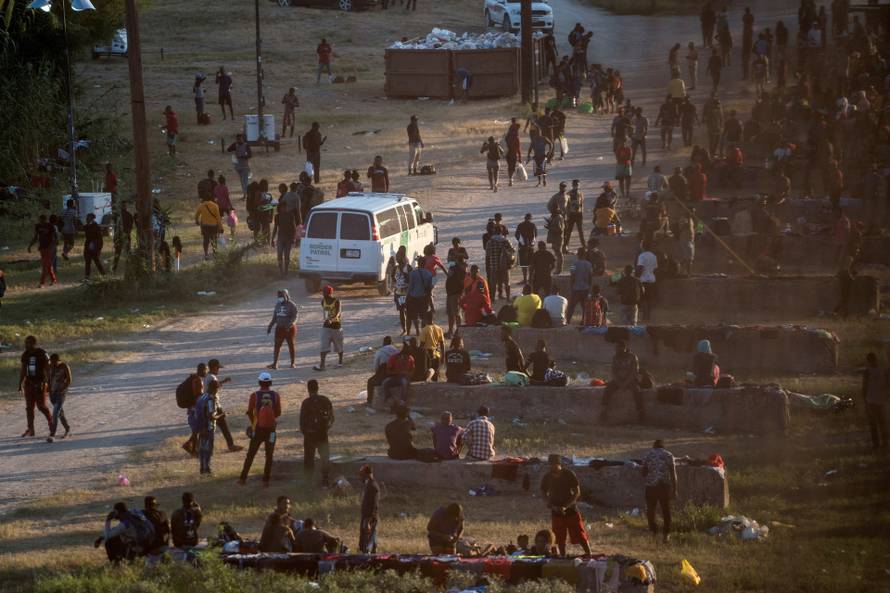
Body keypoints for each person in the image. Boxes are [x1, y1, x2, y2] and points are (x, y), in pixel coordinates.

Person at [541, 454, 592, 556]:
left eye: (554, 464)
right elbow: (543, 492)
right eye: (550, 465)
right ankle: (563, 557)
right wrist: (550, 504)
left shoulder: (569, 474)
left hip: (571, 510)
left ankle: (589, 553)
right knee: (559, 537)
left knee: (579, 534)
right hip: (556, 511)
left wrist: (566, 506)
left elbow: (577, 492)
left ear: (559, 464)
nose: (552, 467)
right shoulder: (547, 477)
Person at [238, 372, 281, 487]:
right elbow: (278, 413)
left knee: (251, 454)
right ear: (270, 382)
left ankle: (243, 478)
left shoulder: (254, 395)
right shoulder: (276, 395)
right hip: (271, 430)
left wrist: (254, 424)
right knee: (269, 455)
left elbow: (249, 412)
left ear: (259, 382)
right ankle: (266, 481)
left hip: (258, 429)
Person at [641, 440, 678, 543]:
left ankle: (653, 531)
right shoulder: (669, 455)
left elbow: (643, 473)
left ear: (654, 446)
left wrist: (650, 471)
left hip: (651, 486)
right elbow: (673, 474)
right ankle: (666, 534)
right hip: (664, 486)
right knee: (666, 510)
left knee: (651, 510)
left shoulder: (647, 455)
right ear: (663, 447)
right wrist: (675, 490)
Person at [300, 379, 334, 486]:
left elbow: (302, 422)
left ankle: (308, 481)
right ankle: (325, 480)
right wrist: (325, 429)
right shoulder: (325, 400)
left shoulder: (306, 403)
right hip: (322, 433)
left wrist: (306, 433)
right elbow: (331, 418)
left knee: (309, 458)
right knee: (325, 457)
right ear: (318, 388)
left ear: (308, 390)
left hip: (310, 434)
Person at [601, 341, 643, 422]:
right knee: (608, 389)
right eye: (616, 348)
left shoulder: (632, 357)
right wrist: (619, 383)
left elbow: (634, 372)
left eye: (618, 348)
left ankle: (640, 412)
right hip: (618, 381)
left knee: (636, 390)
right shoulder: (615, 357)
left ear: (624, 348)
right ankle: (603, 411)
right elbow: (613, 372)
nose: (616, 350)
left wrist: (626, 383)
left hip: (630, 380)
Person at [206, 358, 242, 453]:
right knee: (223, 426)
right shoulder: (212, 378)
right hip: (214, 405)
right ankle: (231, 445)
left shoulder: (208, 377)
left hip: (209, 404)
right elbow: (213, 387)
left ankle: (207, 447)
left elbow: (214, 386)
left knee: (209, 427)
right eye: (218, 368)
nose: (218, 370)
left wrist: (223, 382)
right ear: (214, 368)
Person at [19, 335, 52, 438]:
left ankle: (51, 424)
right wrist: (20, 383)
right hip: (29, 383)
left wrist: (49, 382)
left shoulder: (42, 353)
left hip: (40, 383)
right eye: (25, 343)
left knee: (41, 406)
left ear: (33, 343)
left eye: (27, 343)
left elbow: (48, 368)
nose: (25, 345)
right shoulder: (25, 354)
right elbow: (23, 370)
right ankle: (30, 429)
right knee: (29, 408)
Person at [266, 289, 299, 370]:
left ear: (286, 296)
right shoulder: (278, 305)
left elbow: (295, 317)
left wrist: (290, 324)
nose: (280, 298)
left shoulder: (292, 305)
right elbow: (274, 317)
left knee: (291, 345)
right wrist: (270, 326)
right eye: (279, 297)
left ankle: (292, 363)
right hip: (279, 328)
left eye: (281, 296)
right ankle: (275, 364)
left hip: (289, 329)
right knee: (277, 345)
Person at [195, 379, 222, 475]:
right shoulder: (211, 399)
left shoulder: (202, 397)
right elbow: (211, 415)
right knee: (208, 449)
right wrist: (221, 415)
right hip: (208, 427)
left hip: (200, 426)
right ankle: (207, 469)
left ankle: (202, 468)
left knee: (202, 449)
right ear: (216, 389)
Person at [862, 352, 888, 449]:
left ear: (868, 360)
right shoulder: (884, 370)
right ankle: (885, 444)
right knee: (883, 424)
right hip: (881, 400)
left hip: (871, 400)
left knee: (873, 424)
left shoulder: (867, 371)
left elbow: (864, 387)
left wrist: (864, 399)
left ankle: (876, 445)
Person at [314, 285, 343, 371]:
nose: (323, 294)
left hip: (336, 326)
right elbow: (325, 311)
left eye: (325, 292)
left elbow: (338, 313)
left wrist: (331, 319)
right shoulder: (323, 301)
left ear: (330, 293)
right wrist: (327, 320)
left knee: (338, 346)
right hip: (326, 326)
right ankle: (322, 365)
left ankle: (340, 362)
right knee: (323, 346)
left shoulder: (336, 301)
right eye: (323, 292)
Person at [46, 353, 72, 442]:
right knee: (60, 413)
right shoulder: (50, 367)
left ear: (58, 360)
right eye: (51, 362)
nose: (53, 364)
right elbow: (48, 379)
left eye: (54, 362)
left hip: (61, 393)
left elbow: (69, 380)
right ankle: (67, 429)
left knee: (55, 413)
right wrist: (48, 388)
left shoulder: (64, 366)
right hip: (52, 393)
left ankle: (52, 434)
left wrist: (62, 389)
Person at [368, 336, 399, 405]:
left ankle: (369, 401)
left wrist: (377, 374)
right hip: (396, 374)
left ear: (384, 343)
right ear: (391, 342)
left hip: (384, 374)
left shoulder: (380, 351)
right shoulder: (397, 350)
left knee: (370, 382)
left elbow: (376, 366)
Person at [405, 257, 433, 336]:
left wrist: (407, 297)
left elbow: (410, 287)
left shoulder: (413, 273)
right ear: (425, 264)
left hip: (413, 297)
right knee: (423, 316)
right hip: (424, 298)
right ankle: (423, 332)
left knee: (412, 316)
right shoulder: (429, 274)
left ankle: (412, 332)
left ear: (418, 263)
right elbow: (429, 288)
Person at [28, 214, 57, 287]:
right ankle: (53, 280)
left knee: (44, 265)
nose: (41, 222)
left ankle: (42, 283)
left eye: (43, 220)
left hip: (49, 247)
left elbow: (54, 237)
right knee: (48, 265)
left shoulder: (50, 226)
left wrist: (52, 246)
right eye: (40, 220)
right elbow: (36, 237)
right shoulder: (38, 226)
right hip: (42, 248)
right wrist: (30, 245)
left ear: (45, 220)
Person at [566, 248, 593, 324]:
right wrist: (589, 286)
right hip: (585, 288)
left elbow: (572, 276)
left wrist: (571, 287)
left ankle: (567, 321)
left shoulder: (573, 264)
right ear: (584, 255)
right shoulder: (589, 264)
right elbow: (591, 276)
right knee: (585, 307)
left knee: (571, 306)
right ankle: (583, 321)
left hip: (576, 288)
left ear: (578, 254)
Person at [358, 465, 380, 553]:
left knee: (367, 539)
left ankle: (367, 555)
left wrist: (368, 520)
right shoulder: (368, 484)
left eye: (361, 474)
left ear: (367, 474)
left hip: (370, 517)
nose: (359, 477)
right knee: (371, 537)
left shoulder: (373, 487)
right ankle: (372, 554)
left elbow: (374, 505)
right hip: (366, 516)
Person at [419, 311, 445, 381]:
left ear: (425, 319)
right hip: (437, 353)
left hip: (427, 354)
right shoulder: (439, 328)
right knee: (436, 372)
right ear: (433, 318)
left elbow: (422, 344)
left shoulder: (424, 330)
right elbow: (442, 344)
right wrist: (443, 356)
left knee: (428, 372)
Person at [194, 194, 222, 260]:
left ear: (203, 199)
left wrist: (197, 221)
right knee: (214, 239)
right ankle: (215, 253)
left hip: (205, 226)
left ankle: (206, 254)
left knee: (205, 240)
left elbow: (196, 215)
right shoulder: (215, 206)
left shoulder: (201, 206)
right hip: (214, 226)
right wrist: (221, 227)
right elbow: (218, 218)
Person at [445, 260, 466, 338]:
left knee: (456, 314)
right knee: (450, 314)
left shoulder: (458, 271)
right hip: (450, 295)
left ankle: (458, 331)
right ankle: (451, 331)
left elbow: (462, 284)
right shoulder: (457, 270)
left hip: (455, 295)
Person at [637, 243, 658, 321]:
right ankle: (648, 317)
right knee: (649, 299)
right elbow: (655, 268)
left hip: (643, 279)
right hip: (652, 279)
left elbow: (640, 267)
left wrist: (637, 277)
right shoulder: (654, 256)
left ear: (643, 247)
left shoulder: (642, 256)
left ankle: (644, 317)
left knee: (643, 299)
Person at [82, 213, 106, 280]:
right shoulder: (87, 226)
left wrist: (98, 247)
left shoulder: (95, 226)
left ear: (91, 219)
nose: (86, 219)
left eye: (88, 218)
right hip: (89, 246)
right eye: (87, 218)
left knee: (95, 260)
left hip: (94, 246)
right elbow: (82, 228)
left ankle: (102, 274)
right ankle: (87, 276)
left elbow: (99, 238)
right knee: (88, 261)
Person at [515, 213, 537, 285]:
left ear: (525, 218)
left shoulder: (520, 225)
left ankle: (525, 279)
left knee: (524, 264)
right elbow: (535, 235)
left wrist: (523, 243)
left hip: (522, 247)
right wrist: (531, 244)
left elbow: (517, 235)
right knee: (531, 263)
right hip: (530, 247)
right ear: (530, 218)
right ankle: (530, 279)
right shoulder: (533, 225)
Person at [564, 179, 585, 252]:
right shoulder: (568, 194)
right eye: (575, 185)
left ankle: (584, 245)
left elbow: (581, 205)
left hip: (579, 214)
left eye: (578, 185)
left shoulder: (580, 194)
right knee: (568, 231)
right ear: (572, 185)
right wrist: (567, 214)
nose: (576, 186)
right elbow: (566, 205)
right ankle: (565, 246)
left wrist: (582, 213)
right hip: (571, 214)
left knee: (581, 231)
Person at [545, 207, 564, 274]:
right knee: (558, 254)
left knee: (559, 255)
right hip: (555, 239)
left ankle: (559, 270)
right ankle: (558, 269)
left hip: (557, 239)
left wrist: (549, 228)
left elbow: (559, 230)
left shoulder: (558, 218)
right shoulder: (557, 217)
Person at [505, 118, 522, 186]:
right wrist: (520, 157)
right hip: (513, 154)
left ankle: (510, 178)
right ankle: (511, 179)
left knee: (509, 166)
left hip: (507, 154)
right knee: (512, 167)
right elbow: (518, 149)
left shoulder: (507, 137)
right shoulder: (516, 138)